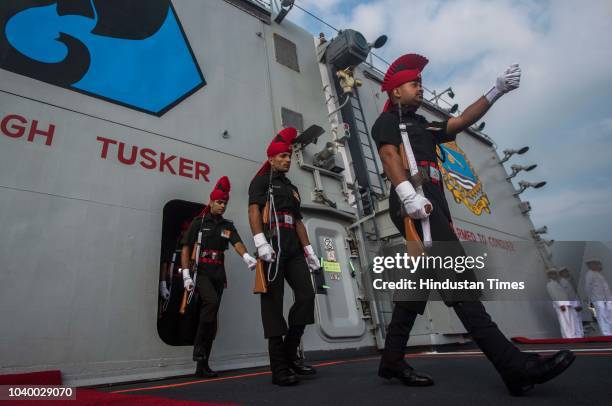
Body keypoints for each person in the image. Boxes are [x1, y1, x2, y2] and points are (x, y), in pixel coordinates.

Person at [371, 53, 575, 396]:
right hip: (414, 205)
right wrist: (408, 197)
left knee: (416, 287)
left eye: (421, 83)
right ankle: (514, 367)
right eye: (413, 84)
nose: (420, 88)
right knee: (459, 281)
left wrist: (495, 91)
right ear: (394, 93)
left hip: (431, 206)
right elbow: (391, 157)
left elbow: (461, 120)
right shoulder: (389, 122)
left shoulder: (422, 125)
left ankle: (391, 360)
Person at [248, 127, 319, 386]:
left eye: (289, 156)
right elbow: (254, 211)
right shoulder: (261, 182)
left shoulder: (290, 187)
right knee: (272, 306)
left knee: (307, 296)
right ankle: (279, 367)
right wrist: (260, 242)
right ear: (271, 158)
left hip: (293, 248)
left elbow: (298, 221)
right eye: (282, 156)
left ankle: (290, 353)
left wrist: (308, 250)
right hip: (272, 247)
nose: (287, 160)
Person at [180, 176, 257, 377]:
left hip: (218, 273)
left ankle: (202, 365)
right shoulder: (199, 222)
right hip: (202, 272)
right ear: (211, 201)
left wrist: (247, 256)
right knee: (211, 304)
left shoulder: (227, 225)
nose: (222, 206)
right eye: (219, 202)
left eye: (225, 203)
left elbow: (237, 242)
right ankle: (198, 349)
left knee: (212, 318)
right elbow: (186, 248)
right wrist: (186, 275)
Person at [546, 269, 581, 338]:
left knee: (570, 321)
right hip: (561, 305)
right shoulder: (550, 284)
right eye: (552, 274)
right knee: (565, 322)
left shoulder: (557, 283)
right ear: (549, 275)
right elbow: (554, 295)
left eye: (555, 274)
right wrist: (561, 305)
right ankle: (568, 337)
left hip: (566, 304)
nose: (554, 275)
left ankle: (572, 336)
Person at [584, 259, 612, 335]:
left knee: (608, 317)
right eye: (595, 264)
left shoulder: (598, 274)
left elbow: (605, 288)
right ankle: (607, 334)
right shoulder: (589, 274)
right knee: (602, 317)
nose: (598, 265)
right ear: (590, 265)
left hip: (605, 299)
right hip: (597, 299)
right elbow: (588, 288)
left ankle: (610, 333)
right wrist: (590, 300)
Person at [558, 267, 584, 338]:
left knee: (579, 319)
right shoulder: (562, 282)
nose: (567, 273)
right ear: (561, 274)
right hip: (572, 304)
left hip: (575, 302)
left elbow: (573, 292)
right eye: (565, 272)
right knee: (575, 320)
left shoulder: (568, 280)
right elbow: (566, 295)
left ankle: (581, 334)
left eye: (567, 271)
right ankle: (578, 335)